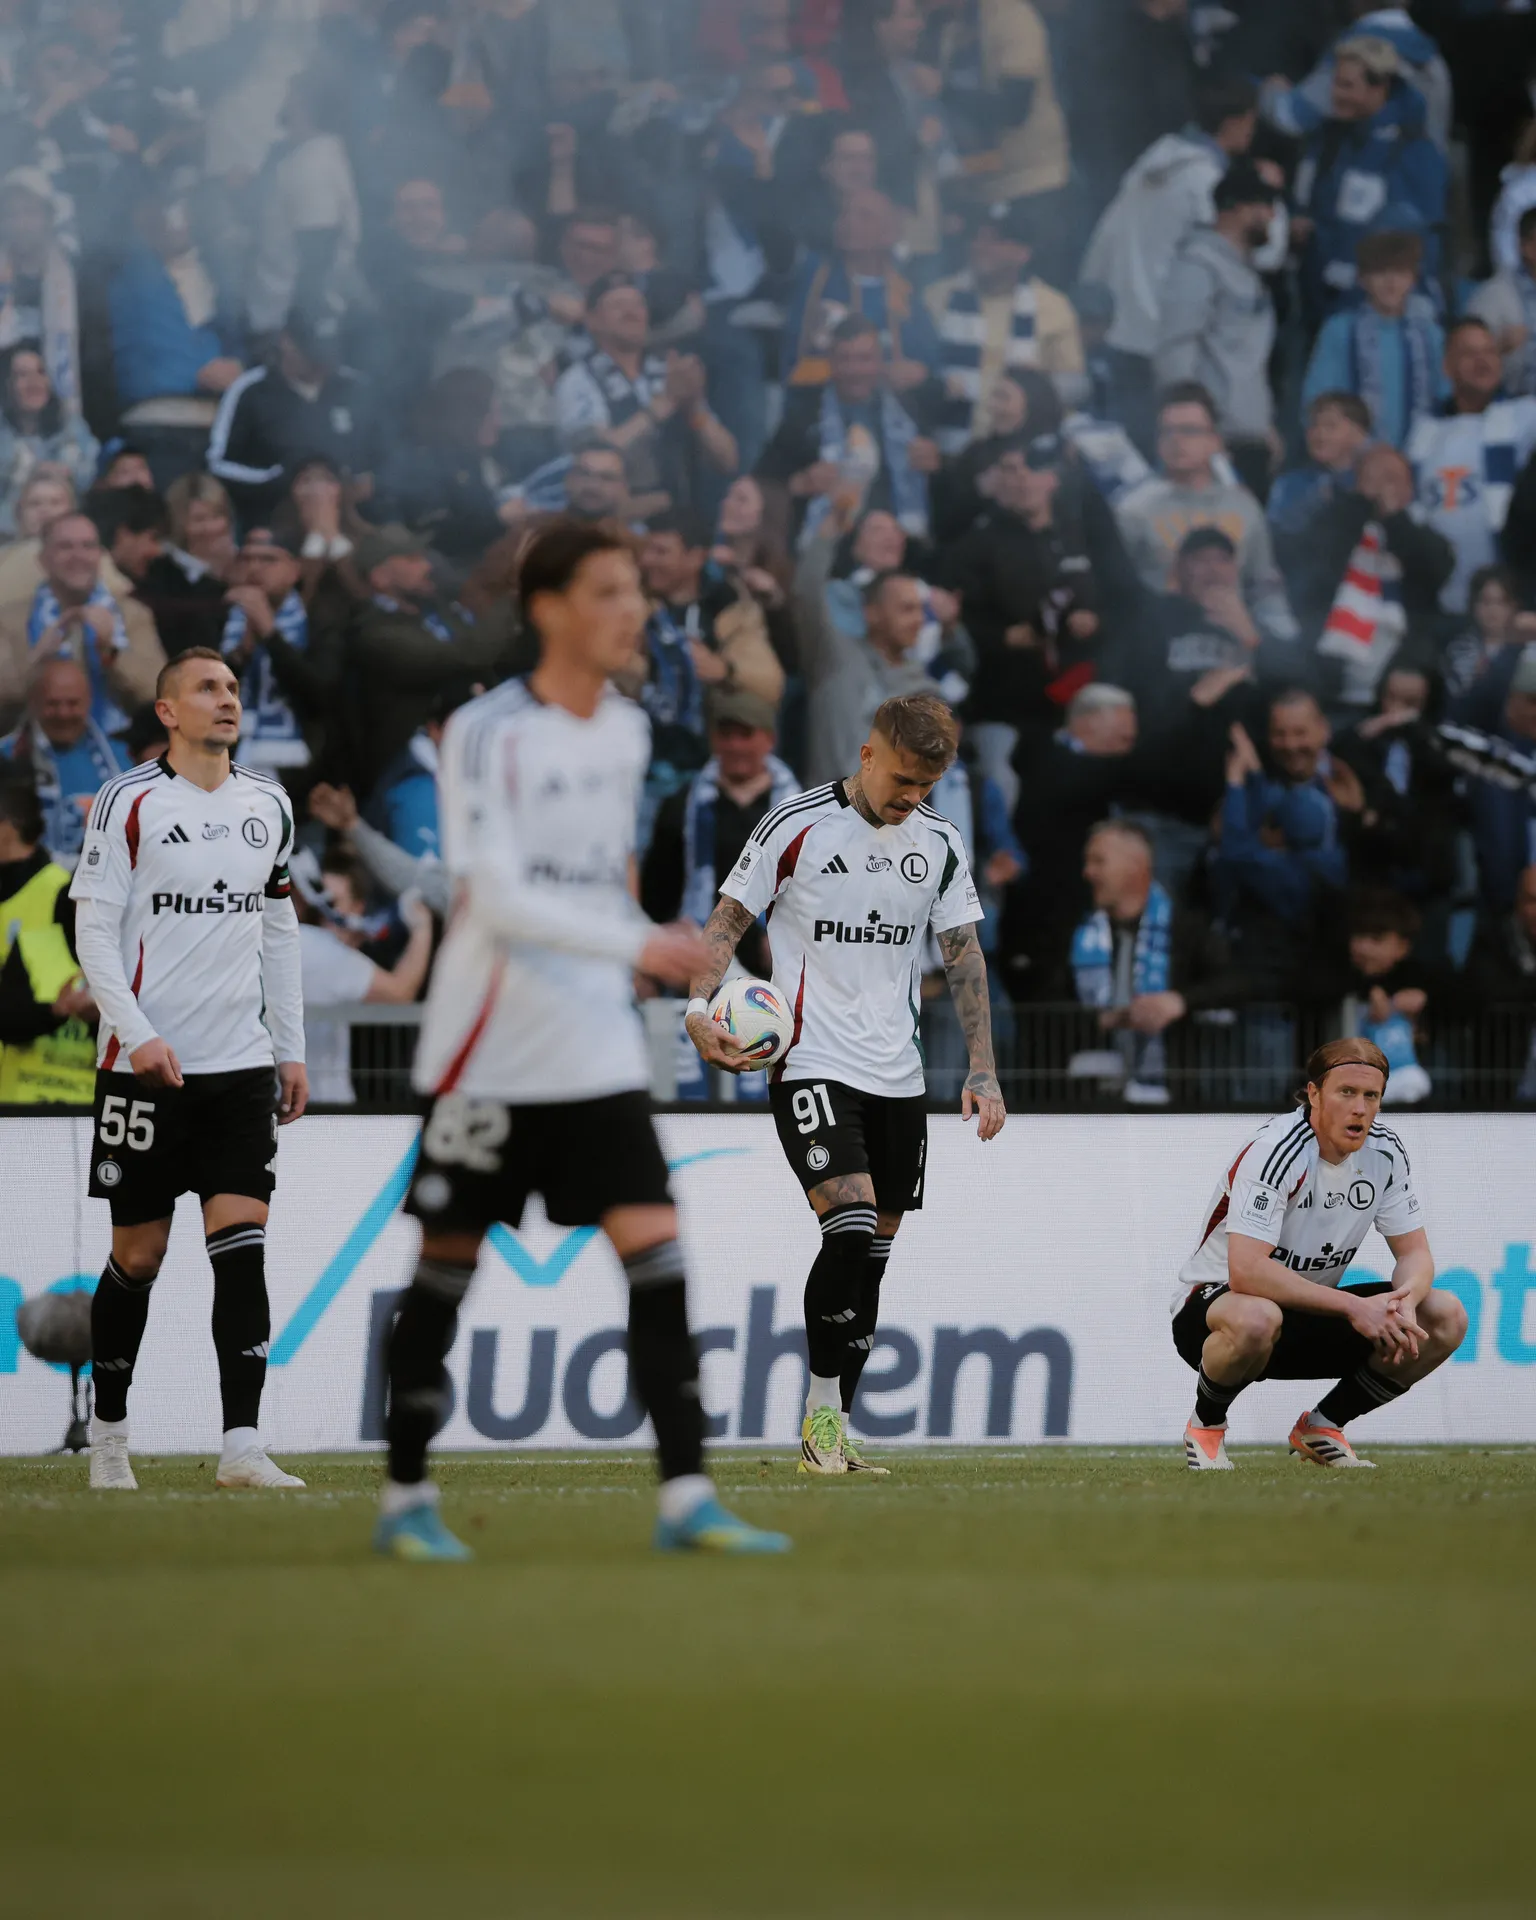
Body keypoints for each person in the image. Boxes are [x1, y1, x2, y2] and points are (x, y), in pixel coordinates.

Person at [380, 520, 789, 1560]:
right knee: (444, 1274)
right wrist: (646, 944)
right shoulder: (486, 730)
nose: (632, 610)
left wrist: (703, 985)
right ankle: (404, 1499)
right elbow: (496, 898)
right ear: (548, 607)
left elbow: (610, 883)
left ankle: (687, 1497)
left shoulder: (628, 730)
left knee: (659, 1260)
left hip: (596, 1051)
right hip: (490, 1053)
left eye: (635, 591)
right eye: (607, 591)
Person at [685, 689, 1006, 1476]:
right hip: (810, 1060)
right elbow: (727, 919)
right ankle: (819, 1421)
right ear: (867, 755)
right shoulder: (794, 825)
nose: (911, 799)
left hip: (898, 1076)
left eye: (925, 787)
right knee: (851, 1224)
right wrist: (697, 1008)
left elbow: (963, 955)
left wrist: (984, 1070)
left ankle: (835, 1425)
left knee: (872, 1260)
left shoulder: (937, 842)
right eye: (902, 780)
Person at [69, 646, 309, 1493]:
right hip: (144, 1071)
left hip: (239, 1069)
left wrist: (291, 1046)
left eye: (234, 688)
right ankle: (109, 1439)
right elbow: (93, 931)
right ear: (168, 710)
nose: (227, 700)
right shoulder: (127, 801)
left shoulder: (268, 803)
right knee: (138, 1255)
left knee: (241, 1247)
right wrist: (135, 1034)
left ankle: (241, 1445)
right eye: (208, 688)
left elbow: (279, 930)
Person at [1171, 1036, 1466, 1470]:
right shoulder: (1276, 1150)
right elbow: (1247, 1272)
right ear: (1314, 1093)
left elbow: (1416, 1254)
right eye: (1346, 1092)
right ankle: (1207, 1425)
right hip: (1218, 1309)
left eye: (1371, 1096)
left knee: (1444, 1314)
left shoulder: (1386, 1151)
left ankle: (1323, 1425)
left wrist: (1406, 1298)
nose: (1360, 1108)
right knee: (1258, 1316)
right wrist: (1354, 1306)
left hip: (1311, 1310)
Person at [639, 689, 799, 981]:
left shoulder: (800, 813)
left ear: (769, 740)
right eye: (726, 735)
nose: (735, 745)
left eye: (745, 734)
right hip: (699, 969)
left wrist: (791, 937)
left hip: (776, 970)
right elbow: (655, 898)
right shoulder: (683, 806)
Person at [1115, 384, 1296, 643]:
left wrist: (1283, 650)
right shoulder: (1132, 509)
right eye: (1167, 431)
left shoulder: (1244, 506)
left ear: (1215, 441)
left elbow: (1265, 587)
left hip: (1234, 644)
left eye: (1189, 431)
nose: (1177, 440)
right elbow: (1120, 594)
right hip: (1161, 649)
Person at [1291, 38, 1446, 328]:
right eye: (1336, 83)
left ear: (1379, 88)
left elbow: (1419, 241)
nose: (1336, 94)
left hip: (1376, 313)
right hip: (1316, 301)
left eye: (1347, 85)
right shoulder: (1328, 136)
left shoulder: (1414, 150)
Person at [1152, 160, 1281, 501]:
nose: (1271, 217)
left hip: (1247, 437)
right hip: (1216, 441)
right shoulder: (1197, 266)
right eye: (1265, 207)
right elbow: (1175, 351)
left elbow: (1247, 358)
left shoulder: (1246, 272)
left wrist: (1263, 425)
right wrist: (1196, 434)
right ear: (1237, 209)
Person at [757, 315, 940, 546]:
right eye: (845, 359)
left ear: (879, 361)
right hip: (826, 548)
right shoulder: (803, 416)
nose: (855, 370)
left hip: (897, 547)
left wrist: (936, 466)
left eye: (864, 359)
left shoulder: (910, 414)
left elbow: (939, 495)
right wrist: (799, 483)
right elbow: (760, 484)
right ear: (830, 362)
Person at [925, 198, 1085, 453]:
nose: (982, 247)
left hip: (1024, 456)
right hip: (950, 454)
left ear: (1023, 253)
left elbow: (1074, 387)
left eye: (996, 240)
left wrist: (1035, 386)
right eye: (978, 238)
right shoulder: (936, 298)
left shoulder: (1054, 306)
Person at [1405, 318, 1536, 615]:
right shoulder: (1423, 430)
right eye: (1469, 353)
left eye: (1490, 351)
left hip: (1513, 595)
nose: (1483, 360)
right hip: (1439, 597)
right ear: (1446, 367)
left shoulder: (1526, 415)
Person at [206, 308, 383, 525]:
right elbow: (218, 464)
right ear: (286, 340)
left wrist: (369, 481)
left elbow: (389, 454)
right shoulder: (251, 390)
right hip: (275, 522)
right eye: (313, 354)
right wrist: (281, 480)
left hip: (355, 520)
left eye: (327, 352)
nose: (321, 363)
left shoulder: (357, 387)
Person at [0, 509, 163, 731]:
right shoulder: (9, 620)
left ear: (100, 556)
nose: (78, 556)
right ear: (43, 559)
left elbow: (159, 694)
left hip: (121, 752)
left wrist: (112, 653)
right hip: (29, 756)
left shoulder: (133, 615)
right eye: (65, 546)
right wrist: (38, 664)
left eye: (88, 546)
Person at [1302, 230, 1447, 451]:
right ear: (1362, 279)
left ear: (1413, 279)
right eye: (1380, 273)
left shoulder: (1431, 335)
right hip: (1353, 458)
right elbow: (1317, 401)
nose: (1391, 282)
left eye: (1400, 273)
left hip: (1422, 454)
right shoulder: (1340, 329)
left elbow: (1445, 397)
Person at [0, 774, 96, 1107]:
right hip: (20, 1111)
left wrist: (105, 1014)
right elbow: (7, 1020)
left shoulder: (135, 957)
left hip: (96, 1113)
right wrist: (56, 1010)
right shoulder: (34, 944)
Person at [0, 654, 126, 865]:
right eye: (53, 703)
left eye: (72, 703)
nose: (63, 713)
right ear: (33, 702)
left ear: (89, 700)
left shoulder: (122, 758)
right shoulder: (5, 759)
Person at [0, 341, 96, 534]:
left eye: (41, 372)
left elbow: (87, 476)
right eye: (22, 375)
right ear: (6, 384)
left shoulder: (72, 427)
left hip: (64, 536)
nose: (34, 382)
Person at [1268, 392, 1373, 549]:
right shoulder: (1288, 484)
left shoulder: (1371, 483)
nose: (1319, 434)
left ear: (1359, 434)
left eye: (1330, 426)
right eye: (1314, 425)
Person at [1467, 204, 1536, 400]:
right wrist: (1498, 347)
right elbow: (1464, 361)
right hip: (1512, 414)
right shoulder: (1493, 296)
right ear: (1526, 247)